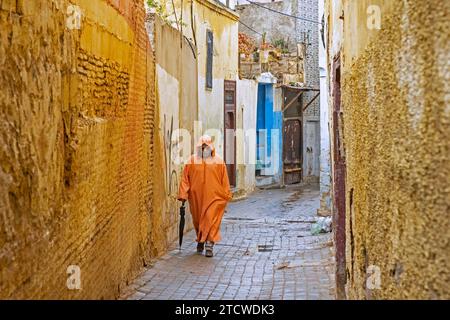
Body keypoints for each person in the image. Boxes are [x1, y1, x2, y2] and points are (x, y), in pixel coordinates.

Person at [177, 135, 232, 257]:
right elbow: (186, 179)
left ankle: (209, 244)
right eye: (202, 147)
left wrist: (226, 194)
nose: (204, 149)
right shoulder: (191, 161)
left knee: (211, 220)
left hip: (214, 198)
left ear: (211, 147)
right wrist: (183, 194)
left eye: (206, 147)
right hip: (197, 198)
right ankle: (201, 240)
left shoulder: (218, 161)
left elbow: (224, 180)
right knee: (198, 221)